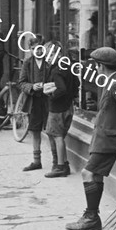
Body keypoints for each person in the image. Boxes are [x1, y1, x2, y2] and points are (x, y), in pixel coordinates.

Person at [65, 47, 116, 230]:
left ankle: (91, 216)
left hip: (108, 139)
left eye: (96, 65)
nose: (95, 69)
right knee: (95, 175)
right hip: (104, 138)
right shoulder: (109, 82)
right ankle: (92, 217)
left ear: (101, 66)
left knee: (87, 173)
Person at [43, 41, 80, 178]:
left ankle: (60, 166)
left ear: (54, 54)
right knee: (58, 135)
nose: (47, 57)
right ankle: (63, 164)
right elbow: (77, 83)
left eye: (48, 54)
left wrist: (51, 95)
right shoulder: (67, 66)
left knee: (57, 136)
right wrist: (72, 97)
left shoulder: (56, 70)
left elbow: (62, 88)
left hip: (57, 109)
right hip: (68, 107)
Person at [18, 35, 51, 171]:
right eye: (34, 48)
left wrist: (48, 87)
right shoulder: (28, 63)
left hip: (48, 100)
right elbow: (21, 82)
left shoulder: (49, 62)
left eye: (40, 48)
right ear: (30, 49)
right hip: (34, 101)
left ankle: (57, 161)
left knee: (51, 130)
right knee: (35, 130)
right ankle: (37, 160)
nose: (37, 51)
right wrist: (31, 87)